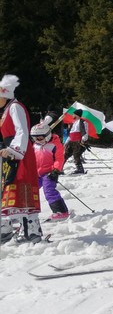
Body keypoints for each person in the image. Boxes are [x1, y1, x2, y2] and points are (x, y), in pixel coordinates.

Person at [0, 75, 44, 243]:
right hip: (10, 155)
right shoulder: (7, 110)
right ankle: (6, 229)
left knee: (22, 189)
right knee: (9, 191)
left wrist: (13, 150)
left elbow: (22, 131)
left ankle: (32, 231)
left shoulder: (15, 107)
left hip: (20, 154)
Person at [31, 116, 70, 220]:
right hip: (36, 173)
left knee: (49, 191)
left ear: (47, 135)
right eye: (35, 138)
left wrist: (56, 170)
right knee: (29, 190)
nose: (38, 140)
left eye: (40, 138)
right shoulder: (35, 145)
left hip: (49, 173)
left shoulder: (55, 145)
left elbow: (59, 159)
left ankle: (61, 211)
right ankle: (27, 211)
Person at [64, 109, 88, 174]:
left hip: (78, 142)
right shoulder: (73, 122)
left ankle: (80, 169)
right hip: (71, 142)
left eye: (73, 114)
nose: (72, 115)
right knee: (65, 155)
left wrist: (83, 139)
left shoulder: (83, 122)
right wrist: (66, 142)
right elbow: (71, 134)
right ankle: (59, 169)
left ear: (76, 115)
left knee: (76, 155)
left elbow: (85, 132)